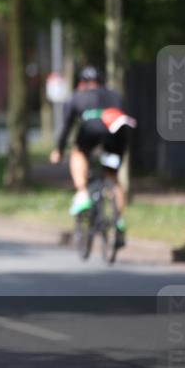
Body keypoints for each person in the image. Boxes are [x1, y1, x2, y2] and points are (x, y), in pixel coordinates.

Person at [50, 65, 135, 246]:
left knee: (78, 153)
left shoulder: (77, 97)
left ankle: (82, 194)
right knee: (113, 177)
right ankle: (119, 221)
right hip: (117, 134)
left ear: (81, 83)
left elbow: (66, 127)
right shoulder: (115, 95)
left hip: (90, 131)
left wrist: (58, 150)